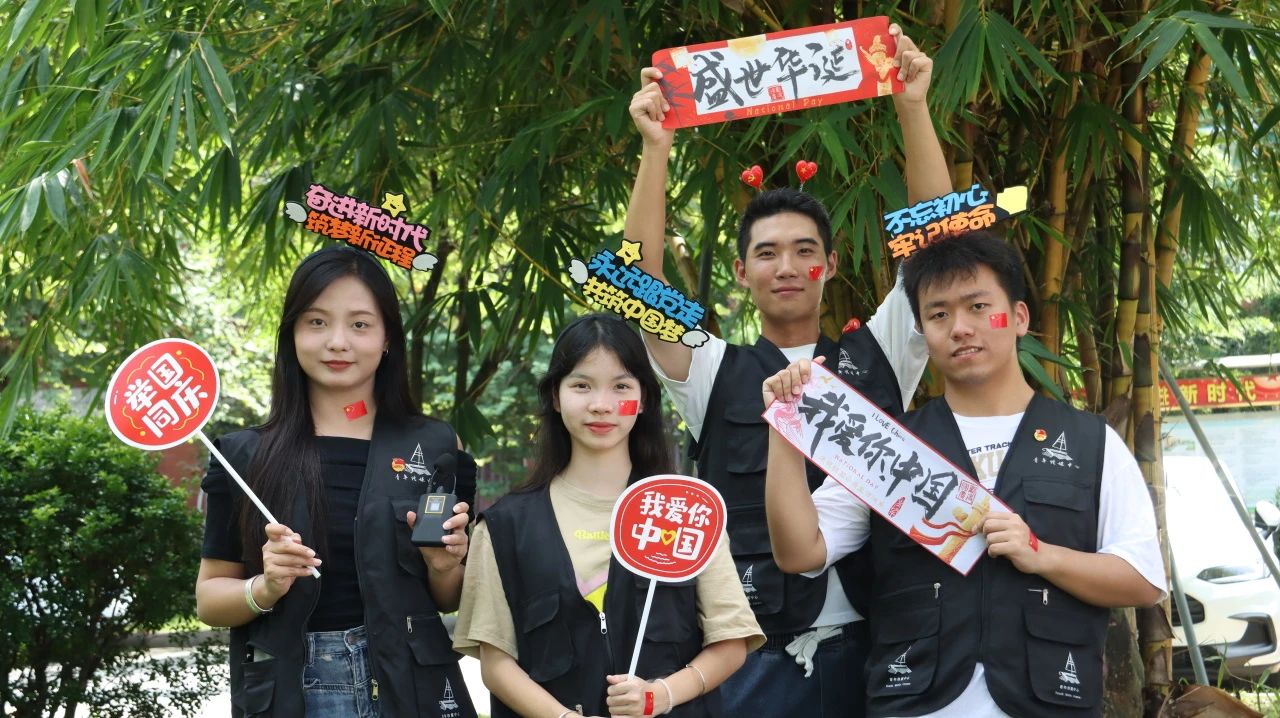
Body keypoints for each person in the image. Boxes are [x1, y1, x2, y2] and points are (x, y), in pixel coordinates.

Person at [625, 24, 952, 717]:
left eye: (805, 250)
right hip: (753, 660)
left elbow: (936, 251)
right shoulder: (714, 370)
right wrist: (656, 150)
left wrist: (912, 106)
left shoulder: (881, 354)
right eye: (767, 253)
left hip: (883, 650)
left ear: (830, 265)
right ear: (741, 272)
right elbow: (641, 291)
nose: (787, 266)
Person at [763, 232, 1166, 717]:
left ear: (1018, 317)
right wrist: (786, 430)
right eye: (938, 315)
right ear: (922, 330)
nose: (959, 328)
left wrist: (1042, 555)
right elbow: (798, 552)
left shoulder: (1091, 442)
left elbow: (1142, 579)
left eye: (978, 307)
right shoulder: (887, 445)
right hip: (914, 703)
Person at [195, 245, 476, 718]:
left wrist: (444, 566)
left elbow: (449, 599)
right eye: (317, 322)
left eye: (360, 324)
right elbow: (209, 600)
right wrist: (265, 587)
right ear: (292, 335)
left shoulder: (436, 445)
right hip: (296, 692)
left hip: (413, 687)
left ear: (387, 338)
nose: (338, 342)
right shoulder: (243, 455)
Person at [453, 313, 764, 718]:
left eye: (621, 387)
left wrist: (658, 695)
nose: (601, 405)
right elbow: (496, 664)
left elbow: (731, 642)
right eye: (581, 385)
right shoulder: (504, 525)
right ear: (555, 397)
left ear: (644, 399)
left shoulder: (685, 510)